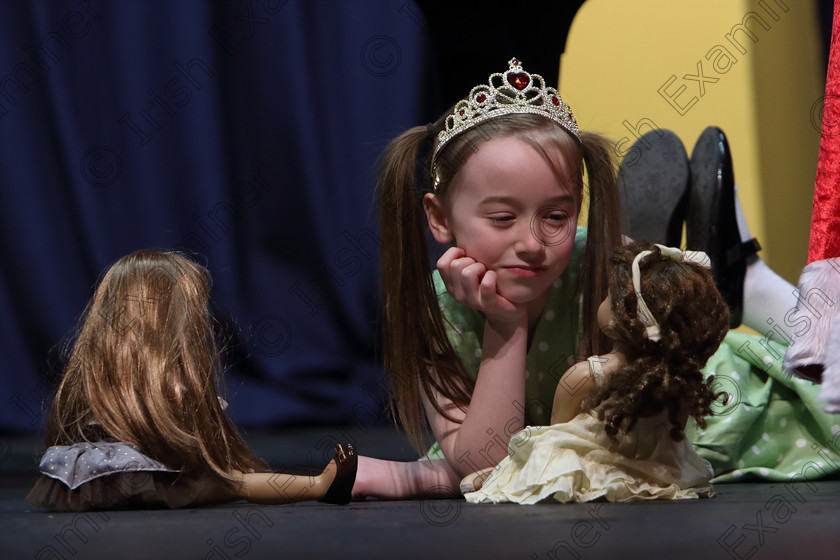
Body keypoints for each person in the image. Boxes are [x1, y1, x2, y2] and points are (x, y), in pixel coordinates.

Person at [354, 56, 840, 500]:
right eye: (502, 218)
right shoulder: (436, 313)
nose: (530, 242)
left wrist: (434, 476)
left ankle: (724, 280)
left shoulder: (592, 265)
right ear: (439, 219)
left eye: (556, 217)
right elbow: (490, 463)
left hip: (724, 407)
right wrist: (506, 324)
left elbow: (494, 467)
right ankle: (714, 276)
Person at [27, 250, 357, 511]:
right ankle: (318, 485)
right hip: (136, 480)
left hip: (84, 482)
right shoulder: (172, 388)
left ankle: (319, 485)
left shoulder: (88, 376)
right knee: (236, 482)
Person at [462, 241, 729, 504]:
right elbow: (674, 440)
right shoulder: (678, 384)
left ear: (620, 317)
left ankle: (506, 475)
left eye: (608, 297)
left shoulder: (586, 376)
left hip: (586, 467)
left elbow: (555, 436)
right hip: (657, 473)